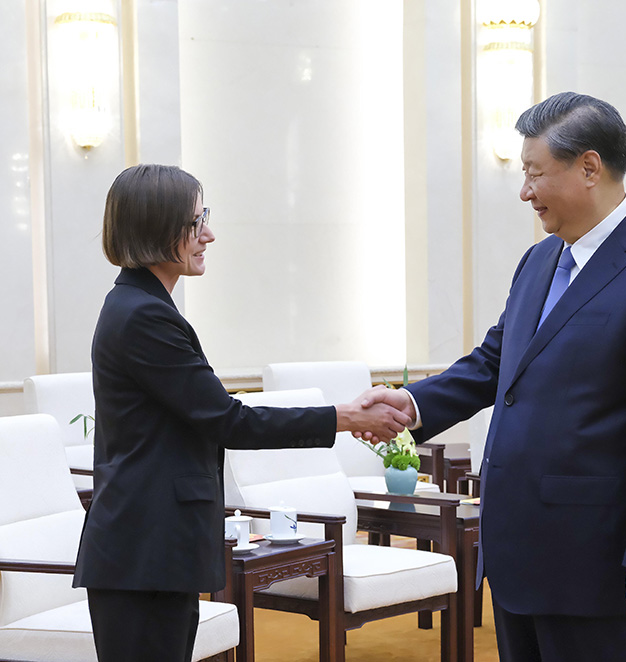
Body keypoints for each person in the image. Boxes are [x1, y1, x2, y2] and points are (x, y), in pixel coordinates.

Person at [358, 92, 626, 661]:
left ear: (589, 167)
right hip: (517, 554)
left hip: (597, 565)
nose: (525, 192)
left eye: (534, 173)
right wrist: (412, 404)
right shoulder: (540, 261)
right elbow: (494, 362)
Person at [72, 163, 410, 662]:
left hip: (150, 550)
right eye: (196, 223)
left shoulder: (139, 305)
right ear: (156, 229)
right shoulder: (143, 315)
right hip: (144, 552)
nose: (208, 235)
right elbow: (229, 421)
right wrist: (345, 417)